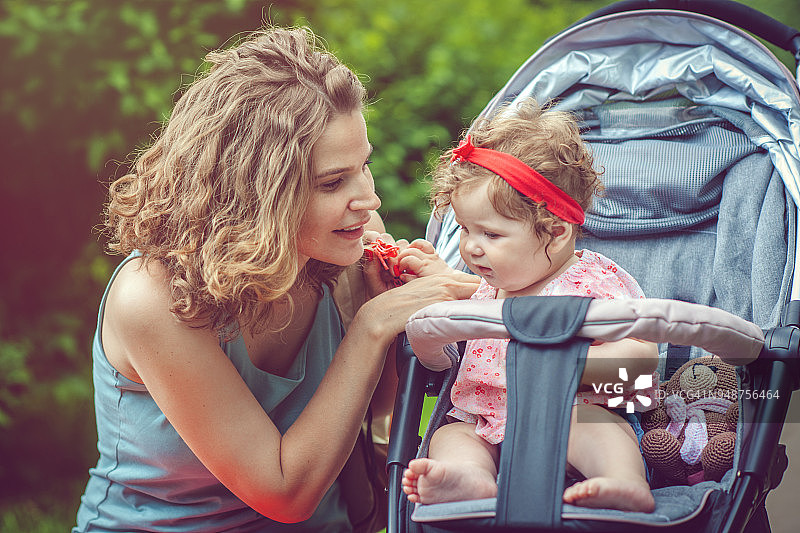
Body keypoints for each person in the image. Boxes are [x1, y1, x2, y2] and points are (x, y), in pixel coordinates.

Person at [72, 26, 478, 533]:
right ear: (255, 195)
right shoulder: (152, 299)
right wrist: (373, 325)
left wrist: (402, 321)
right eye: (332, 182)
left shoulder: (348, 247)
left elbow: (371, 412)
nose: (369, 201)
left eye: (364, 166)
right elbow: (284, 493)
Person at [399, 98, 659, 513]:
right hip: (488, 422)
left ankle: (621, 480)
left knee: (595, 430)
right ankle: (473, 480)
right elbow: (472, 296)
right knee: (453, 436)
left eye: (491, 234)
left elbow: (642, 356)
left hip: (566, 412)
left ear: (555, 233)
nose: (470, 247)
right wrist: (436, 275)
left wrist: (574, 370)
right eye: (465, 229)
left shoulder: (590, 284)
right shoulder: (498, 283)